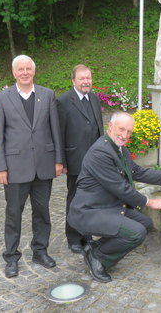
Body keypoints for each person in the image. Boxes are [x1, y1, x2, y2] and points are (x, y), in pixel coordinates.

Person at [67, 111, 161, 283]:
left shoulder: (119, 149)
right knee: (136, 233)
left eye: (129, 131)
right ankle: (98, 258)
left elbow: (138, 172)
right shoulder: (100, 152)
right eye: (121, 129)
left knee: (146, 223)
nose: (124, 135)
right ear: (110, 126)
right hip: (90, 211)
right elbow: (121, 188)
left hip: (108, 206)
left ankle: (95, 247)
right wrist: (149, 202)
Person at [0, 55, 64, 278]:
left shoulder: (47, 95)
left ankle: (40, 251)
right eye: (20, 69)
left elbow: (55, 131)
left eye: (28, 69)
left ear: (34, 71)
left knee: (42, 212)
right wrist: (0, 168)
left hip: (43, 166)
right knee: (14, 214)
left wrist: (58, 160)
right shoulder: (2, 98)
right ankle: (11, 257)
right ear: (14, 73)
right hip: (15, 168)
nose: (24, 72)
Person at [57, 64, 104, 254]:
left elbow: (99, 129)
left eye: (88, 78)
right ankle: (74, 238)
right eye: (82, 78)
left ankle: (88, 235)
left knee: (92, 200)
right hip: (75, 160)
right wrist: (62, 162)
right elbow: (59, 133)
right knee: (75, 200)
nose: (86, 81)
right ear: (73, 81)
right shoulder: (63, 101)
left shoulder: (94, 99)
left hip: (95, 162)